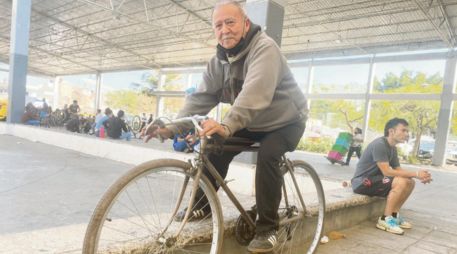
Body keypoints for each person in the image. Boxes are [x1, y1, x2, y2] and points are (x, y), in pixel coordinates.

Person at [142, 1, 307, 252]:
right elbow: (201, 98)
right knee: (215, 146)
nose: (224, 29)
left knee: (269, 155)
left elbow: (255, 93)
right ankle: (203, 206)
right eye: (218, 25)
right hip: (253, 120)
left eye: (230, 22)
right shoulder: (218, 62)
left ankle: (268, 227)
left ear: (246, 24)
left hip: (287, 119)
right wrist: (171, 128)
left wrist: (227, 124)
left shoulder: (264, 48)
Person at [351, 118, 432, 235]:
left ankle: (394, 215)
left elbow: (398, 170)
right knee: (401, 182)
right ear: (391, 131)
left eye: (407, 131)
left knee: (410, 182)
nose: (407, 134)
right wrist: (417, 173)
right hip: (362, 182)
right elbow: (387, 172)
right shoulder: (379, 144)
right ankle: (385, 219)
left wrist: (419, 177)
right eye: (403, 130)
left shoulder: (392, 148)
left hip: (377, 181)